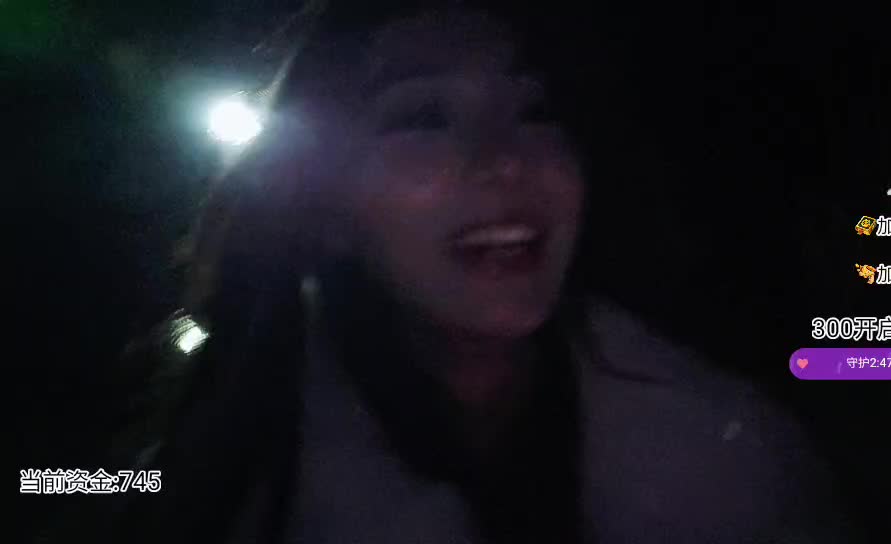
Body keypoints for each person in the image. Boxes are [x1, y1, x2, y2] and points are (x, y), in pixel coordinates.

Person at [90, 3, 852, 543]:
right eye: (424, 117)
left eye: (535, 109)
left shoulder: (728, 455)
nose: (505, 158)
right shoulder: (233, 481)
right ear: (327, 208)